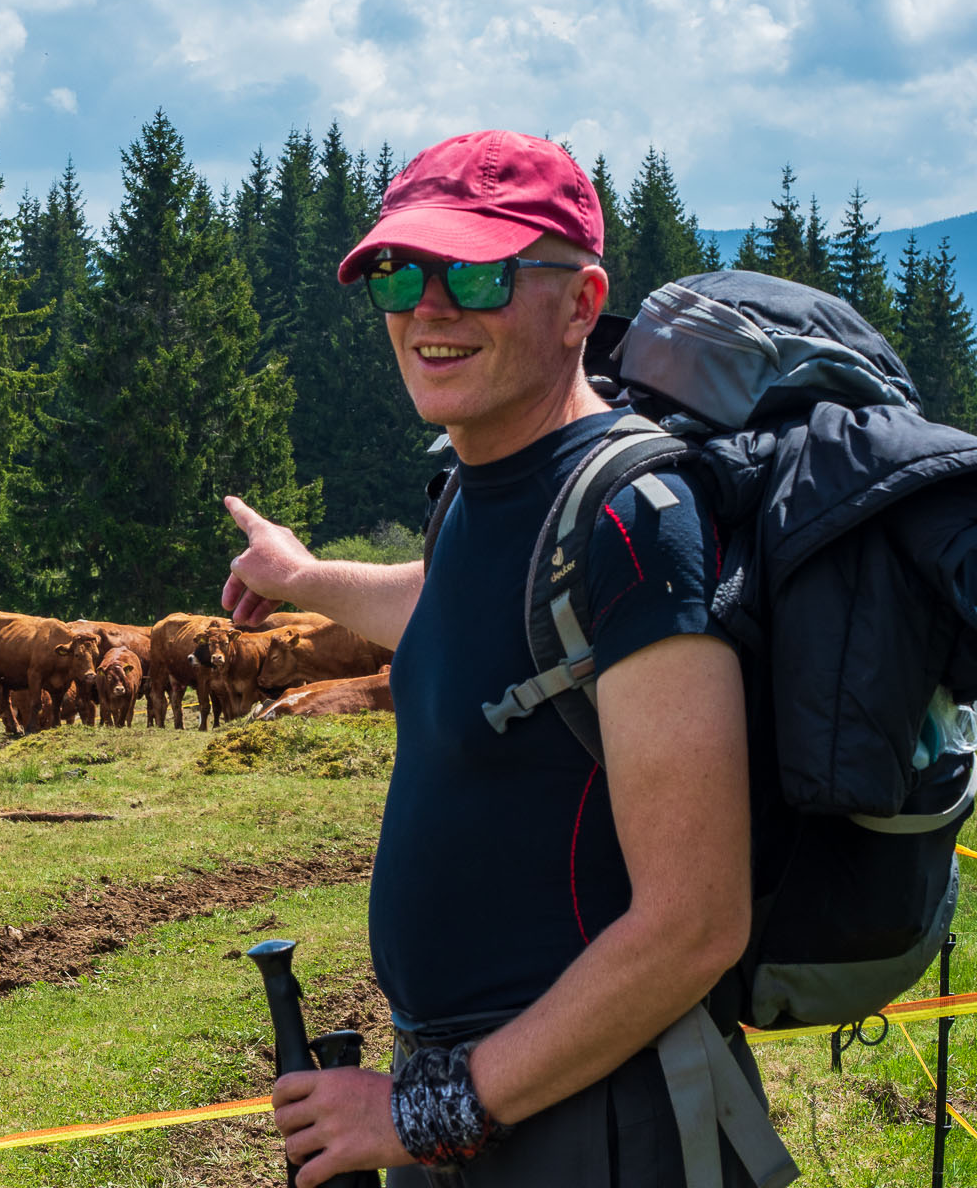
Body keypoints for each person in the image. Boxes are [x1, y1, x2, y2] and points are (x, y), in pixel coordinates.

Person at [223, 130, 781, 1186]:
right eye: (398, 271)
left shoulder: (630, 521)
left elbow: (694, 918)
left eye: (478, 272)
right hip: (483, 1107)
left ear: (581, 302)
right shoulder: (480, 493)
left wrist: (428, 1111)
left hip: (599, 1122)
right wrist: (302, 574)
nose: (428, 307)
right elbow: (458, 613)